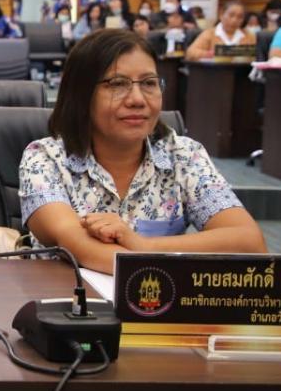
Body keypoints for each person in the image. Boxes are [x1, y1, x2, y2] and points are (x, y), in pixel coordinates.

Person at [19, 29, 265, 274]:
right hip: (65, 297)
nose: (137, 99)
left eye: (149, 83)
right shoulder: (45, 158)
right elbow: (77, 245)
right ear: (81, 94)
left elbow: (250, 243)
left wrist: (144, 245)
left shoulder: (185, 156)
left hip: (159, 297)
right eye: (117, 84)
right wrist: (151, 257)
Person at [186, 0, 253, 61]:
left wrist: (225, 52)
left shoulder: (248, 36)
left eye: (240, 17)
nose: (234, 20)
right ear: (221, 15)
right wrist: (209, 54)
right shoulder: (210, 33)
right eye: (231, 15)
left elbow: (255, 54)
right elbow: (190, 53)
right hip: (214, 69)